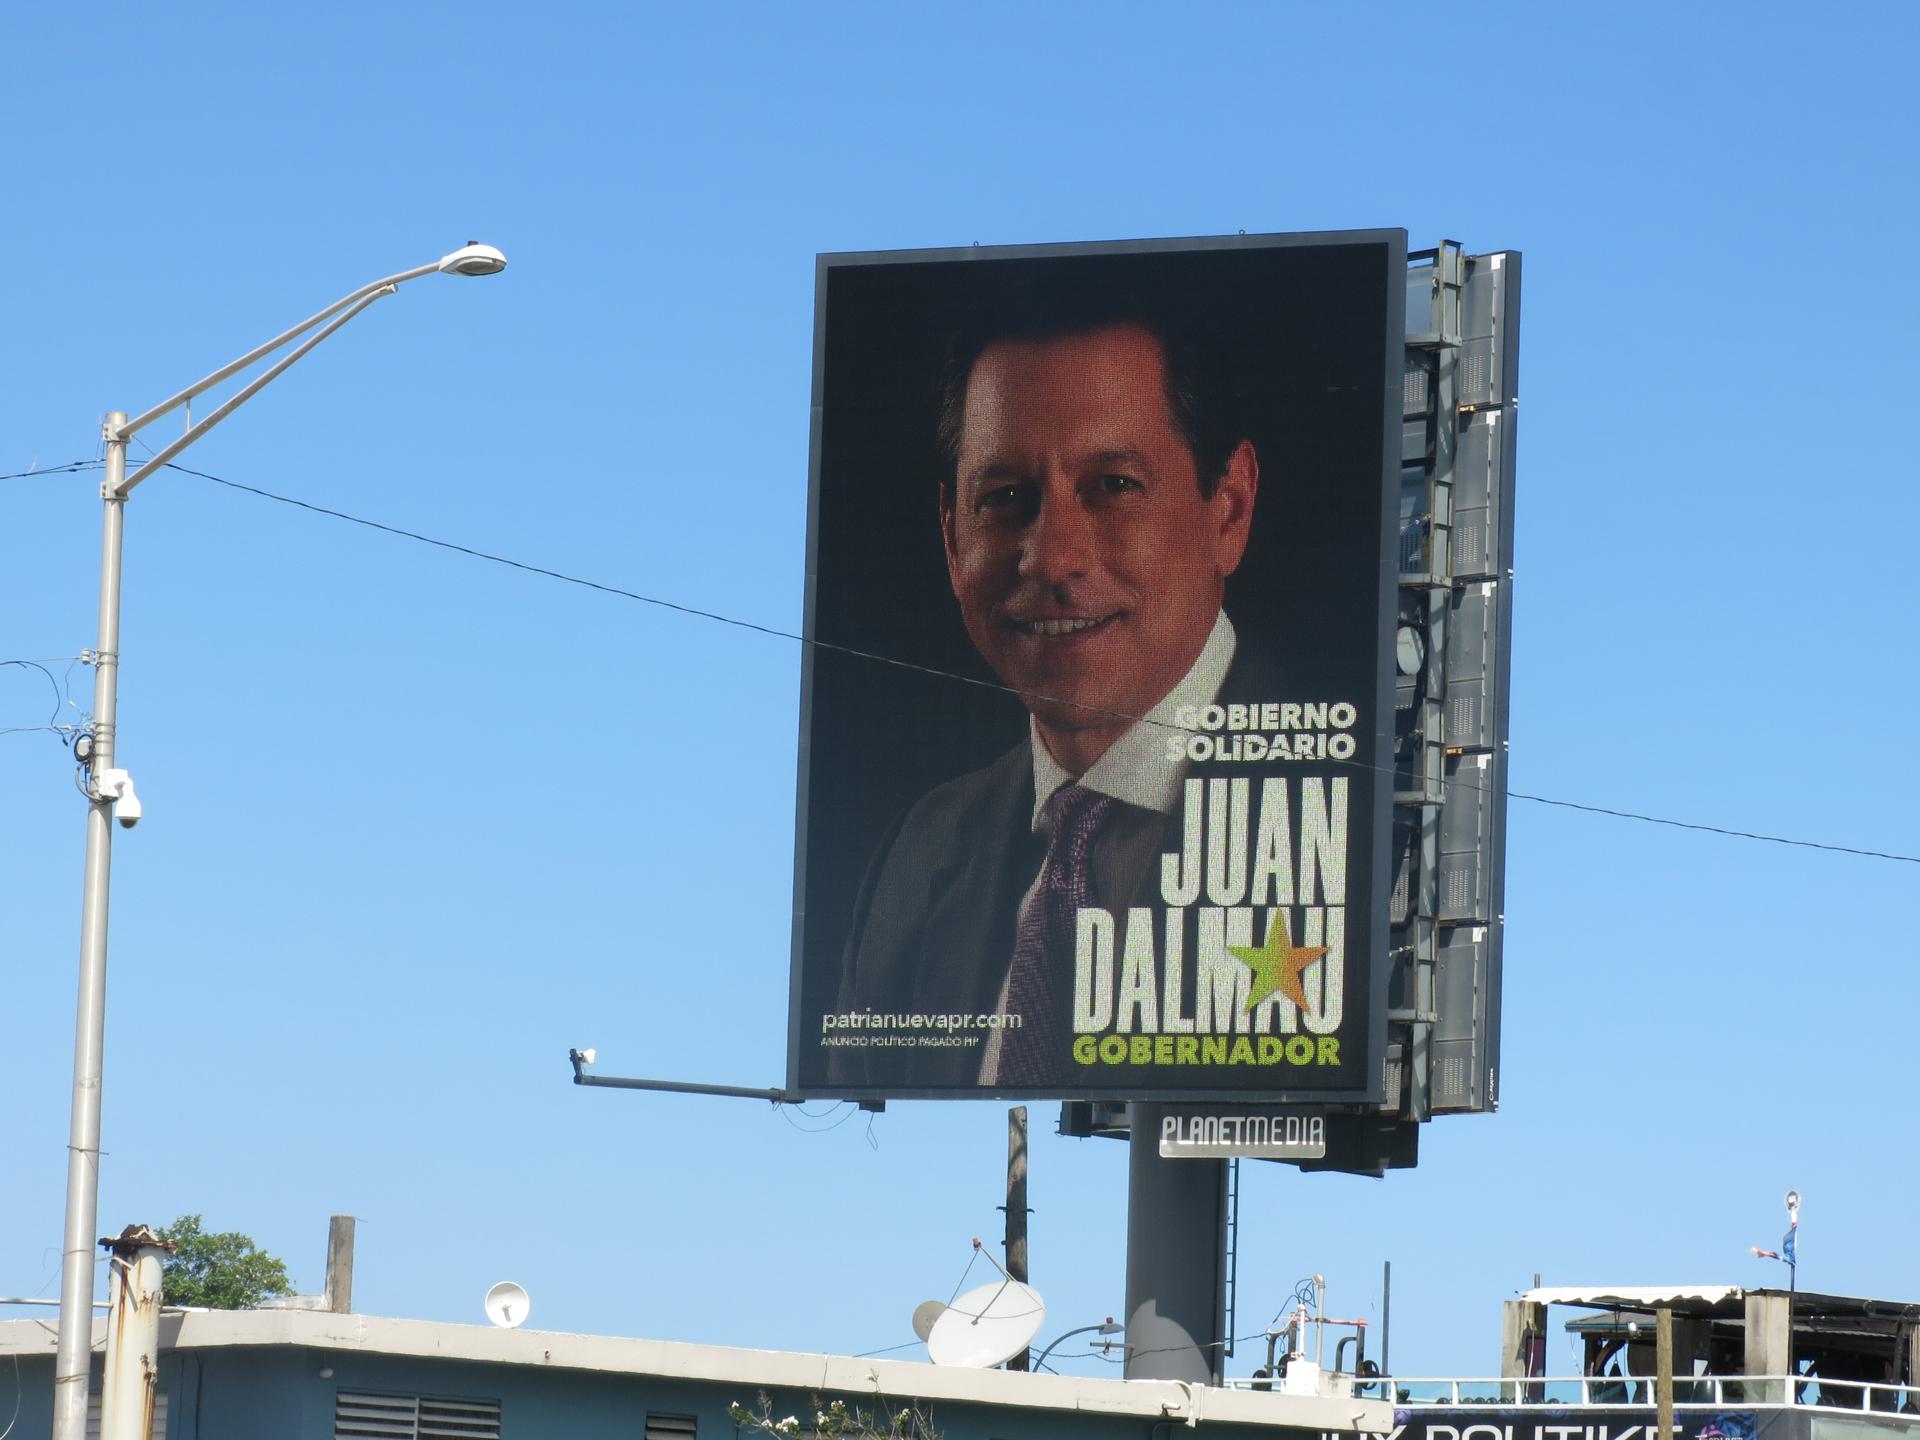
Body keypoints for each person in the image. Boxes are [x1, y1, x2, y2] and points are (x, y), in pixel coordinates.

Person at [829, 293, 1280, 1089]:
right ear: (950, 537)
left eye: (1112, 484)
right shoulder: (922, 849)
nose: (1052, 558)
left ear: (1229, 508)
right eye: (1004, 498)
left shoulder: (1356, 811)